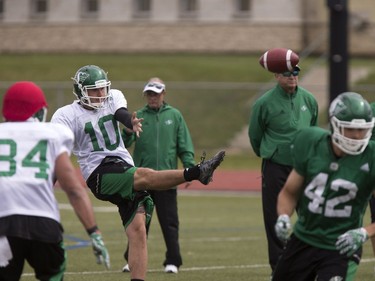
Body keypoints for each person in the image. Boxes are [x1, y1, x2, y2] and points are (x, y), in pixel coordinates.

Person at [50, 65, 225, 281]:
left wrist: (130, 122)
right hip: (99, 173)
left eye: (103, 88)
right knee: (145, 176)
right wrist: (46, 188)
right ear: (80, 90)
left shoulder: (113, 97)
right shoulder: (66, 115)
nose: (101, 94)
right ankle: (198, 172)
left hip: (123, 165)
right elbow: (56, 155)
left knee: (138, 230)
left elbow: (121, 113)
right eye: (94, 90)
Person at [0, 81, 109, 281]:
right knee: (53, 273)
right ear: (39, 111)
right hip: (43, 222)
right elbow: (74, 190)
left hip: (4, 223)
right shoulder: (52, 134)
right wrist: (94, 232)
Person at [273, 92, 375, 280]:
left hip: (341, 246)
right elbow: (289, 192)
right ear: (335, 125)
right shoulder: (311, 141)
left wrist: (364, 232)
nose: (357, 135)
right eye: (350, 129)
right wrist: (283, 216)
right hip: (304, 240)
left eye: (362, 130)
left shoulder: (371, 156)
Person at [248, 65, 319, 271]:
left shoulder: (309, 99)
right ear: (277, 75)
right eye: (287, 73)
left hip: (303, 166)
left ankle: (310, 263)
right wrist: (270, 152)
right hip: (276, 166)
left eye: (295, 72)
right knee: (275, 217)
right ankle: (278, 268)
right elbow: (255, 135)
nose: (292, 77)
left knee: (309, 215)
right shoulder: (264, 103)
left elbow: (313, 128)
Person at [121, 77, 195, 274]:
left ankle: (173, 261)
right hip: (142, 179)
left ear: (164, 93)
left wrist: (188, 167)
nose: (152, 97)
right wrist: (128, 130)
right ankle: (131, 259)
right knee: (138, 221)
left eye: (156, 93)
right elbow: (125, 142)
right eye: (149, 94)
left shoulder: (175, 115)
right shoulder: (139, 116)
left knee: (169, 222)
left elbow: (183, 144)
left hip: (165, 179)